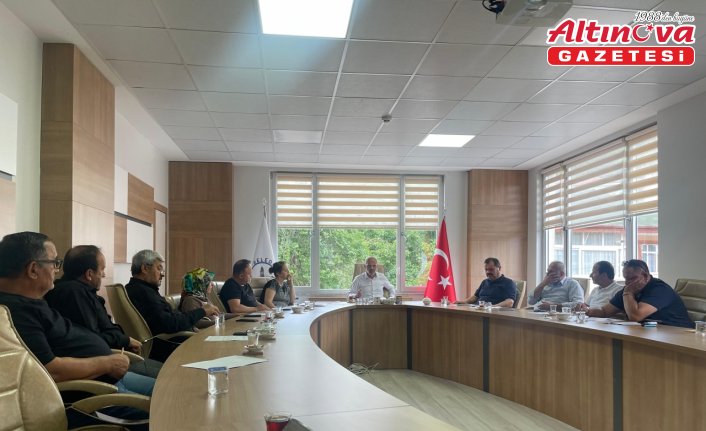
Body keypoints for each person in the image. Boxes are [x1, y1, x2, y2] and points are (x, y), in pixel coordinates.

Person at [0, 232, 155, 400]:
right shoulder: (14, 312)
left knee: (170, 390)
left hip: (106, 376)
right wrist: (107, 363)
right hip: (93, 391)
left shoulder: (33, 301)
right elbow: (49, 370)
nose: (56, 270)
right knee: (166, 405)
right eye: (54, 263)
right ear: (33, 269)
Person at [45, 245, 161, 378]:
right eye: (102, 269)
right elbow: (92, 337)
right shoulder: (74, 294)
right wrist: (125, 341)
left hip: (111, 358)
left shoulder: (75, 291)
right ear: (89, 274)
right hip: (103, 368)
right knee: (167, 377)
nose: (104, 274)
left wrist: (124, 341)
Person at [125, 250, 219, 361]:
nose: (162, 274)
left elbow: (168, 318)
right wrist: (202, 311)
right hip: (170, 346)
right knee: (218, 350)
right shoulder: (143, 293)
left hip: (172, 342)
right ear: (145, 268)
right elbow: (170, 324)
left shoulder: (139, 289)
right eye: (159, 268)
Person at [586, 259, 694, 328]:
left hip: (677, 331)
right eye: (626, 279)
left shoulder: (659, 289)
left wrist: (628, 292)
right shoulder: (630, 288)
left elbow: (635, 316)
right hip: (652, 332)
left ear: (645, 276)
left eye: (632, 278)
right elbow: (604, 311)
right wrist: (586, 311)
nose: (627, 283)